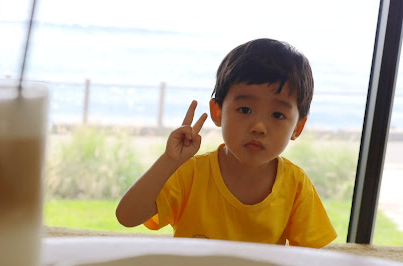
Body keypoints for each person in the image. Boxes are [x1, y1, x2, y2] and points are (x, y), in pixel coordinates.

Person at [116, 38, 337, 248]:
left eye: (278, 115)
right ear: (218, 111)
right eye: (245, 110)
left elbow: (313, 258)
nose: (258, 126)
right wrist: (169, 160)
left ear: (297, 127)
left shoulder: (296, 185)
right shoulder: (191, 173)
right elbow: (127, 217)